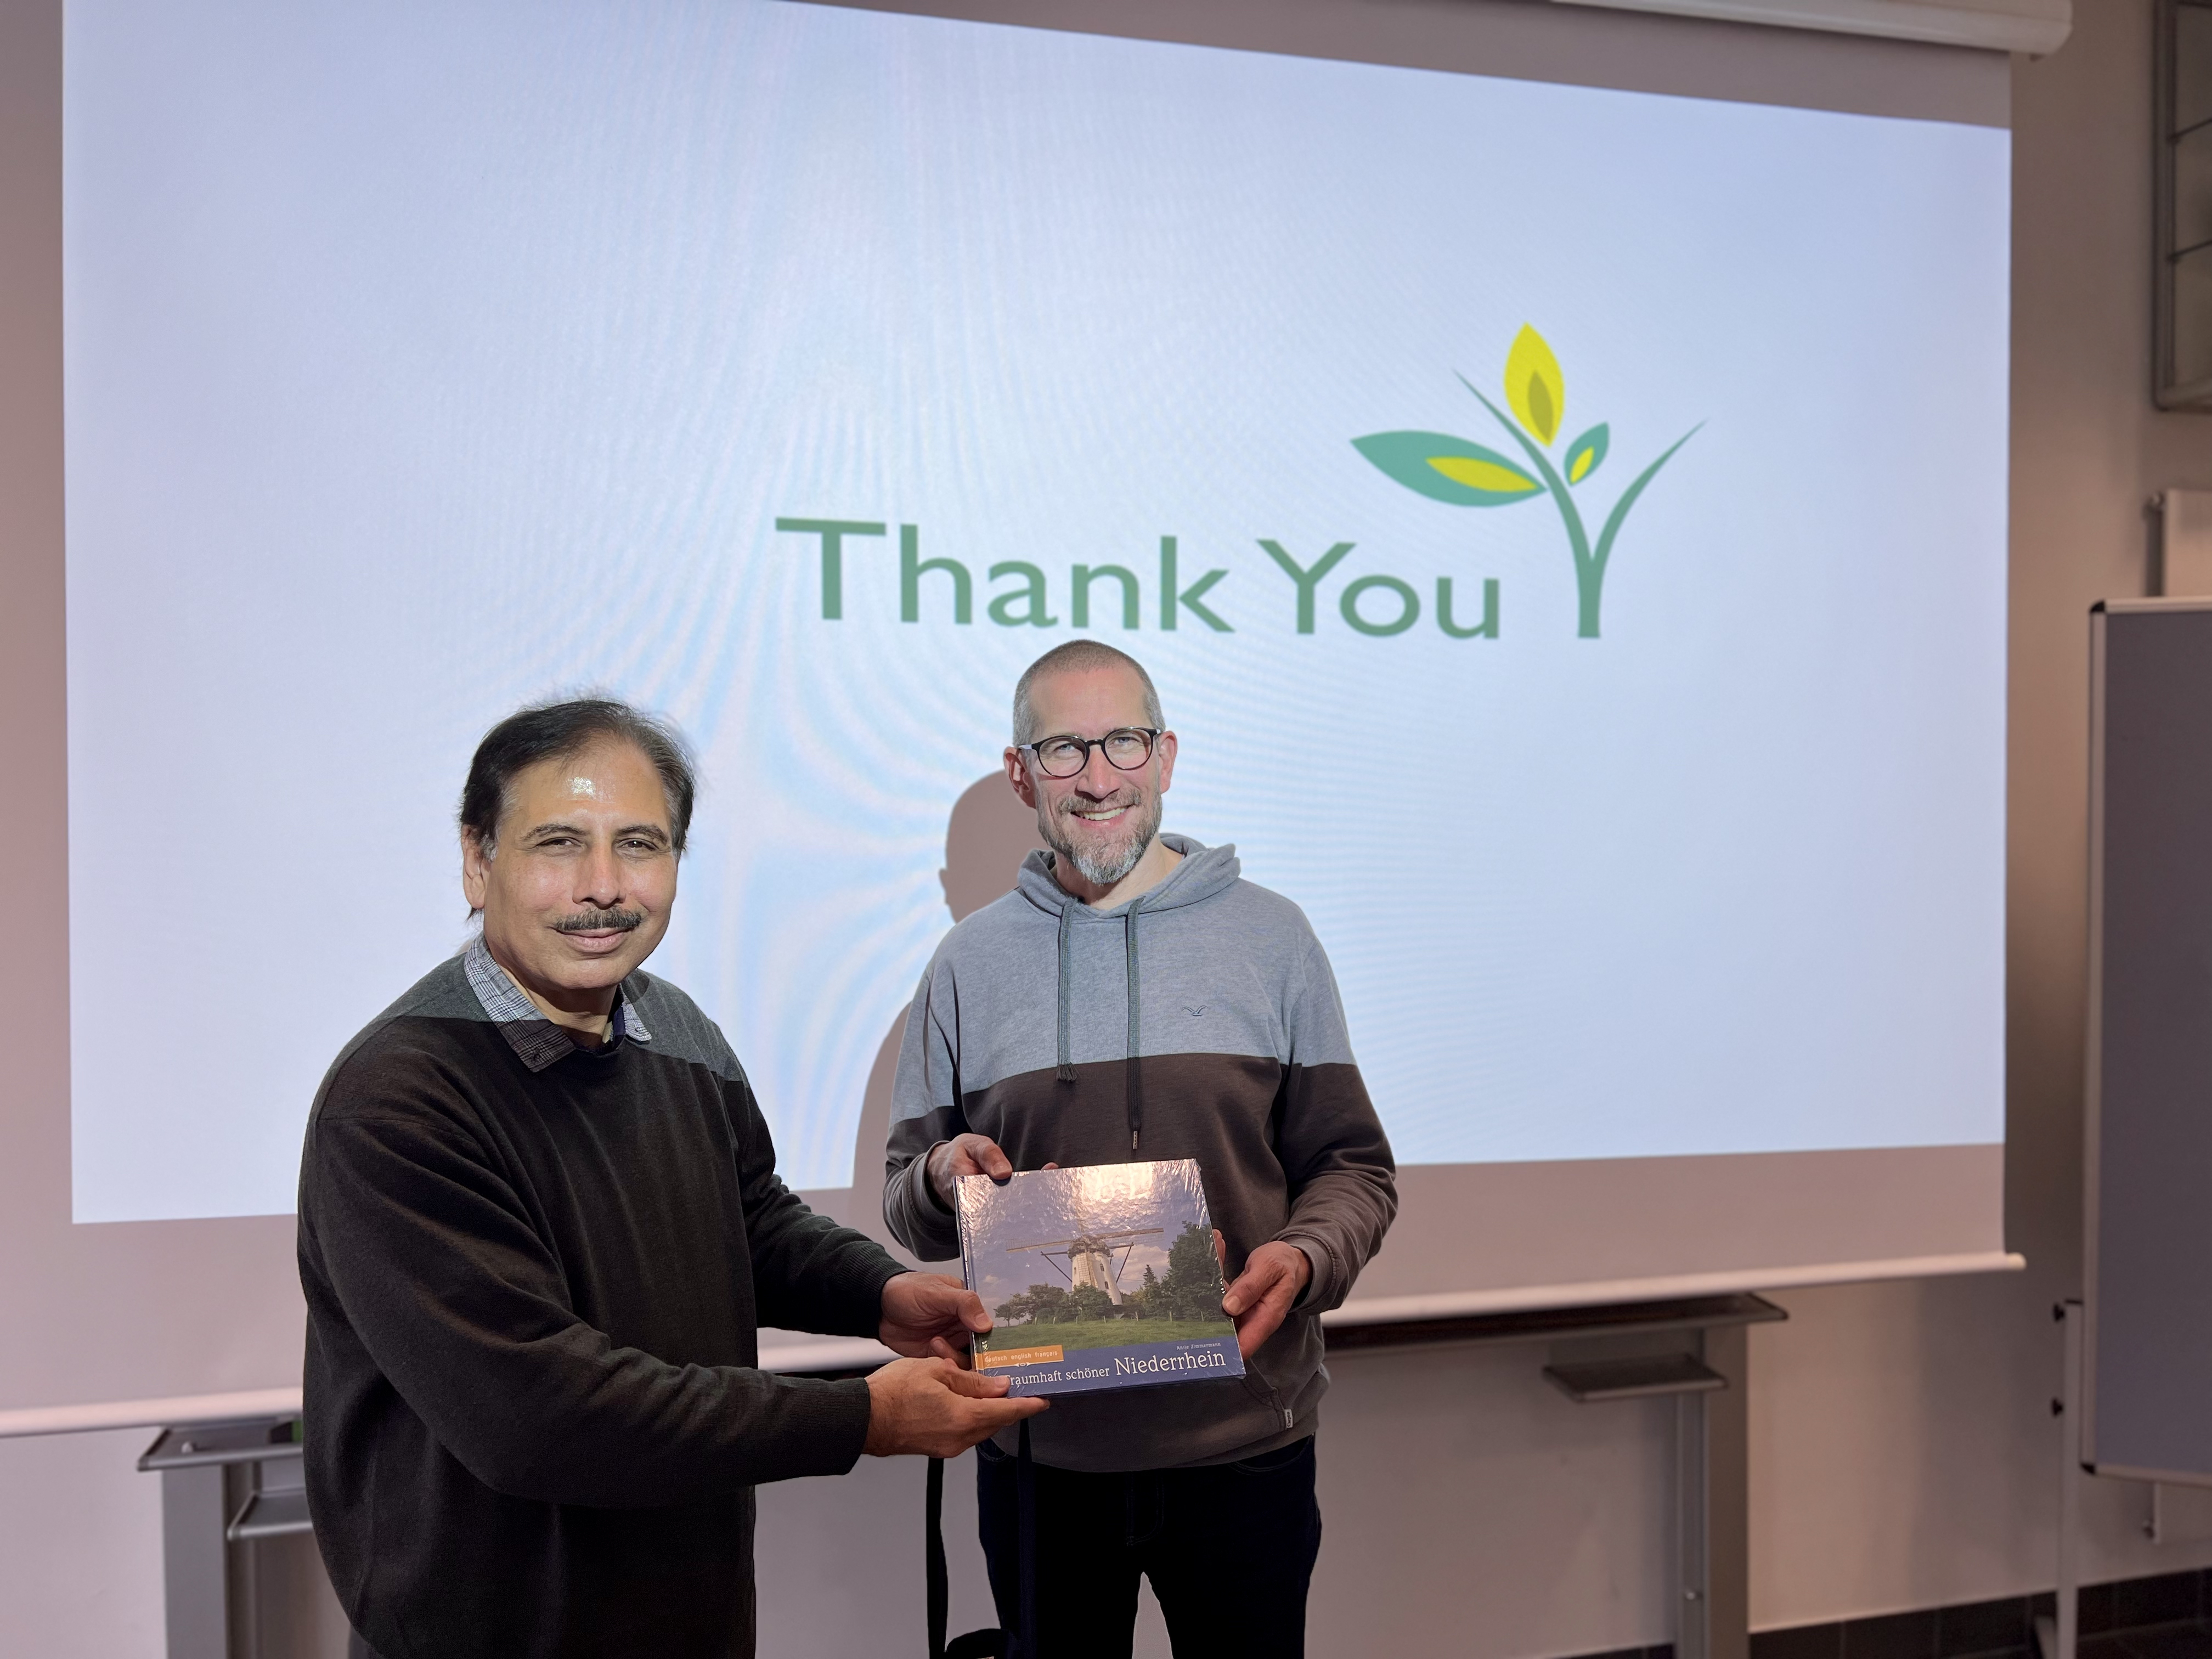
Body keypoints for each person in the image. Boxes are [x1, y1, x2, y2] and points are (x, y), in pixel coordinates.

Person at [298, 697, 1043, 1659]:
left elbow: (750, 1221)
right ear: (478, 860)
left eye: (640, 845)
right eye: (559, 843)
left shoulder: (673, 1027)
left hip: (691, 1609)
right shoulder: (399, 1099)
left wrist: (883, 1293)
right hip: (490, 1632)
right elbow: (538, 1416)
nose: (604, 887)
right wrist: (862, 1417)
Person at [883, 641, 1397, 1657]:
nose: (1099, 776)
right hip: (1040, 1453)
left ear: (1167, 756)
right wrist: (944, 1176)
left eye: (1123, 741)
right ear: (1022, 772)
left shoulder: (1274, 939)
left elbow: (1354, 1169)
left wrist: (1302, 1260)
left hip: (1245, 1444)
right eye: (1064, 749)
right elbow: (905, 1197)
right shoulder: (965, 964)